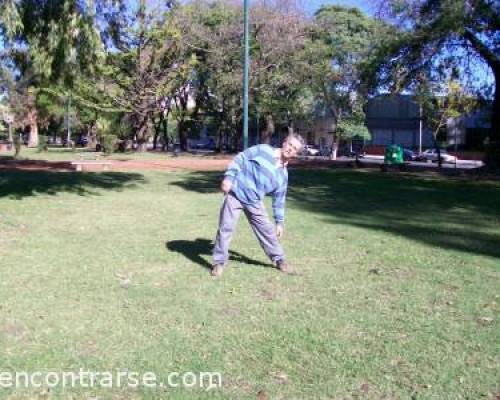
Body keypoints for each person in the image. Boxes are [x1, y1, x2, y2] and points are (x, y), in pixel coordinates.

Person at [211, 133, 305, 277]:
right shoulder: (263, 150)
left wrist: (279, 222)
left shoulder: (283, 176)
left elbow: (279, 199)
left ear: (296, 154)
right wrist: (228, 178)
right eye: (290, 145)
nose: (290, 149)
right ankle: (219, 263)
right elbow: (241, 158)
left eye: (295, 148)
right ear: (284, 142)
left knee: (267, 231)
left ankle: (279, 260)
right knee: (226, 228)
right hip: (235, 193)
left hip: (254, 202)